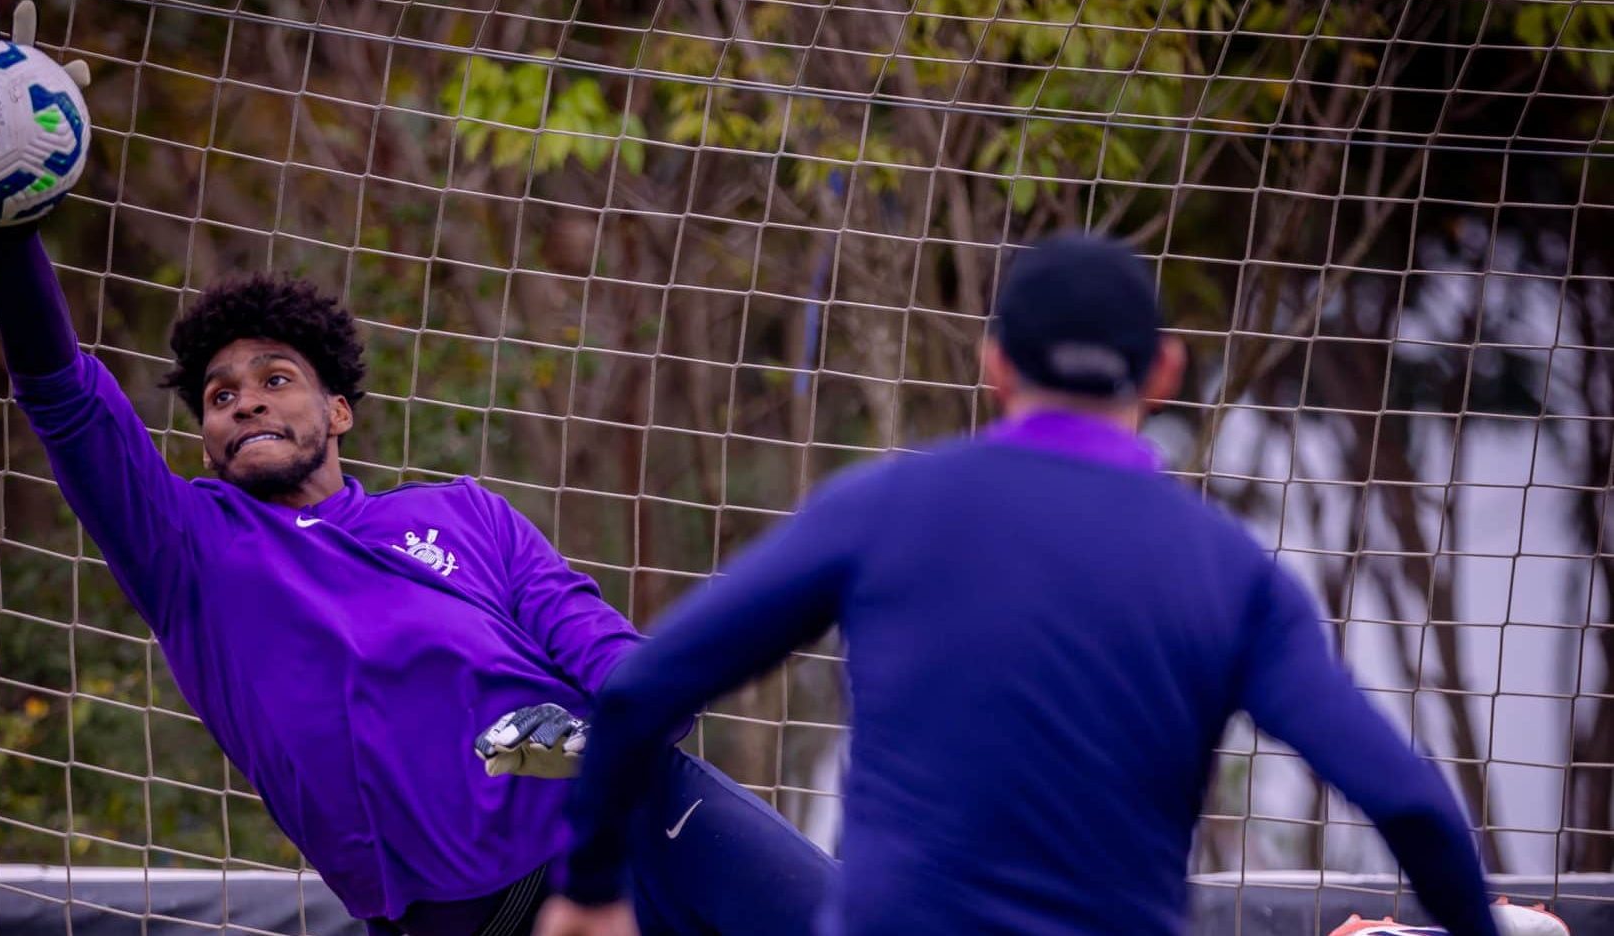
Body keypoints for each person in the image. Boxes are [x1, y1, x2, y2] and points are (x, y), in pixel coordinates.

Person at [0, 0, 832, 936]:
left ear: (337, 410)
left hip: (636, 811)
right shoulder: (187, 550)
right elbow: (63, 399)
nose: (247, 399)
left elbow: (590, 638)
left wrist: (647, 697)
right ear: (208, 440)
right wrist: (6, 227)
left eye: (275, 379)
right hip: (474, 914)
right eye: (221, 396)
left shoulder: (467, 514)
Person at [539, 234, 1503, 936]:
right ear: (1163, 371)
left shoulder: (884, 510)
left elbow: (635, 691)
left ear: (993, 362)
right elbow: (1408, 802)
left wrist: (589, 893)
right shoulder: (1229, 570)